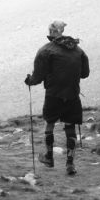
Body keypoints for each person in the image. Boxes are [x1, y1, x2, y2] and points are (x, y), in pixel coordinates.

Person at [24, 20, 90, 175]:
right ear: (62, 31)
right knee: (70, 127)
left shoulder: (46, 51)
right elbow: (85, 74)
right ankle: (70, 164)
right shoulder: (79, 51)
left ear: (51, 31)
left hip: (53, 94)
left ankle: (49, 157)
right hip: (72, 95)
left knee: (50, 124)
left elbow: (37, 77)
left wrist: (29, 80)